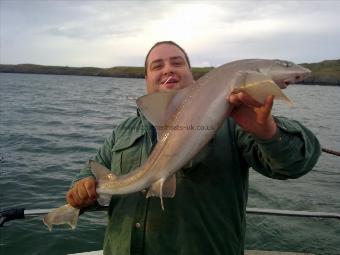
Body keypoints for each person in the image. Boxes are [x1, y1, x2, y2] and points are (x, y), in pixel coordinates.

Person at [66, 41, 321, 255]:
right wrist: (84, 188)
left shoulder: (234, 122)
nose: (168, 70)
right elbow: (92, 178)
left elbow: (296, 164)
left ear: (193, 75)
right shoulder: (124, 130)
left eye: (178, 63)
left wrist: (268, 132)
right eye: (157, 66)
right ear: (146, 79)